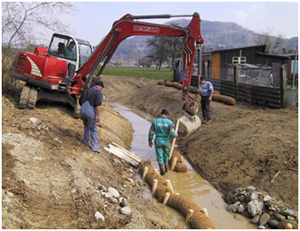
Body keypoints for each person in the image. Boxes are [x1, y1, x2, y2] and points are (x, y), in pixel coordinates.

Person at [148, 108, 177, 175]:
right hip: (166, 141)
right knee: (166, 156)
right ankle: (166, 170)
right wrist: (175, 135)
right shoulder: (170, 122)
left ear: (161, 113)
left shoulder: (155, 121)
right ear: (167, 114)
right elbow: (173, 134)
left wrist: (150, 140)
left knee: (160, 156)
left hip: (158, 140)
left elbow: (151, 132)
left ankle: (162, 172)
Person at [79, 81, 104, 153]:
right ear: (99, 86)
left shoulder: (86, 90)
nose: (101, 90)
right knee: (93, 129)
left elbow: (80, 101)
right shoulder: (98, 93)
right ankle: (94, 147)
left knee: (86, 125)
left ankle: (85, 140)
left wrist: (84, 110)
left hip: (83, 110)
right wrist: (99, 115)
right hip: (90, 111)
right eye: (101, 88)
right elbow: (98, 105)